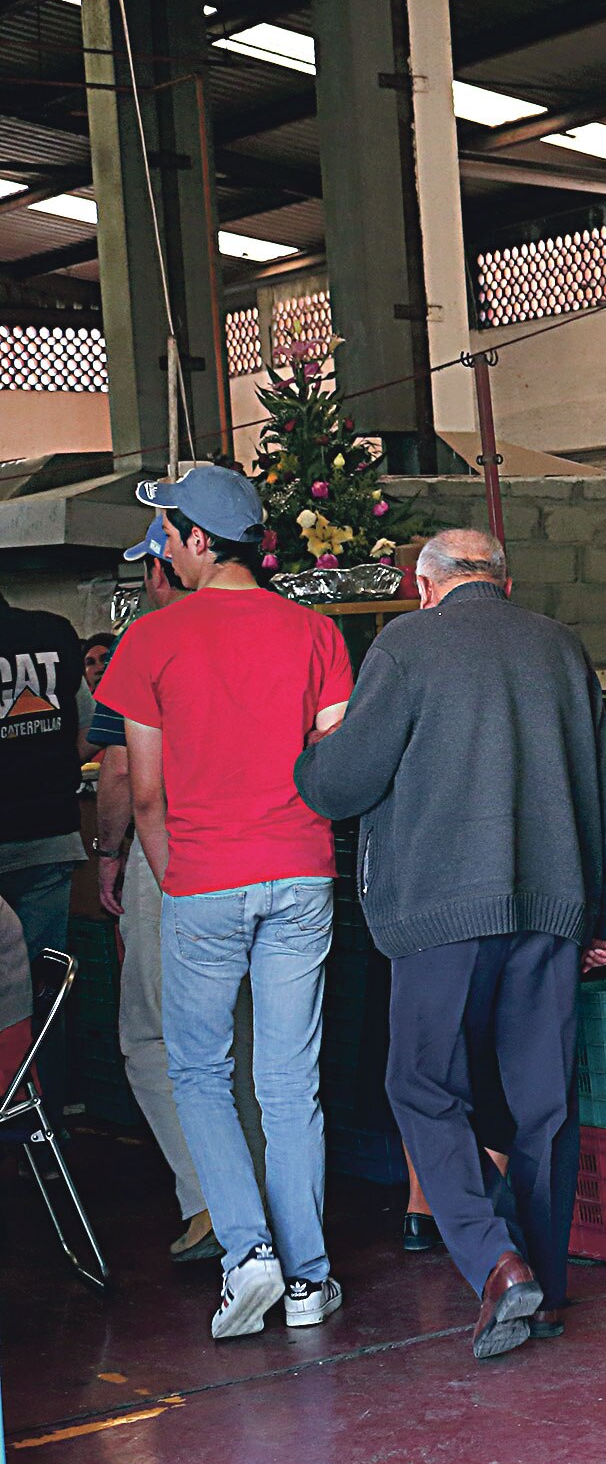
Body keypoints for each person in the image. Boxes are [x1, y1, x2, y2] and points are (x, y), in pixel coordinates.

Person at [296, 528, 606, 1361]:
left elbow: (343, 783)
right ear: (504, 585)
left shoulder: (406, 646)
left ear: (424, 583)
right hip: (553, 906)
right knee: (542, 1101)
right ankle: (545, 1290)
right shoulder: (559, 646)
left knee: (420, 1085)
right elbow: (605, 792)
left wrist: (309, 758)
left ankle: (494, 1259)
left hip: (443, 911)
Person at [96, 466, 353, 1338]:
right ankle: (310, 1277)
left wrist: (175, 880)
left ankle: (248, 1255)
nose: (164, 546)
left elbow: (145, 796)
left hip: (203, 873)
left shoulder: (152, 641)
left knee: (199, 1070)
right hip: (302, 871)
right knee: (289, 1083)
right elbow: (335, 769)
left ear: (201, 540)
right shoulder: (315, 632)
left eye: (168, 532)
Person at [92, 517, 264, 1264]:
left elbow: (124, 772)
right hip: (266, 855)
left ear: (173, 566)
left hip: (178, 858)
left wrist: (109, 850)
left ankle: (214, 1206)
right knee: (256, 1037)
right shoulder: (281, 629)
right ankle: (274, 1200)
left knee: (157, 1036)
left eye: (149, 572)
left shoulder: (147, 647)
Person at [0, 581, 87, 1120]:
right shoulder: (53, 635)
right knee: (40, 993)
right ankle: (38, 1118)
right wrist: (54, 771)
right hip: (50, 837)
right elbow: (96, 724)